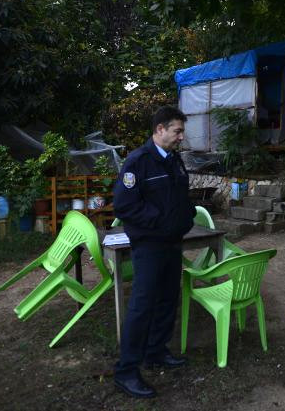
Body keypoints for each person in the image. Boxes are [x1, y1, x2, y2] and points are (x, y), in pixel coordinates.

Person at [113, 106, 196, 399]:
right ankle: (126, 371)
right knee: (141, 306)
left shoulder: (174, 160)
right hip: (149, 246)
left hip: (173, 243)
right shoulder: (138, 162)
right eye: (177, 131)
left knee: (166, 300)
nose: (181, 137)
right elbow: (125, 206)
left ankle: (156, 351)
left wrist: (184, 220)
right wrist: (161, 222)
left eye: (181, 131)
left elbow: (181, 197)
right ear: (159, 130)